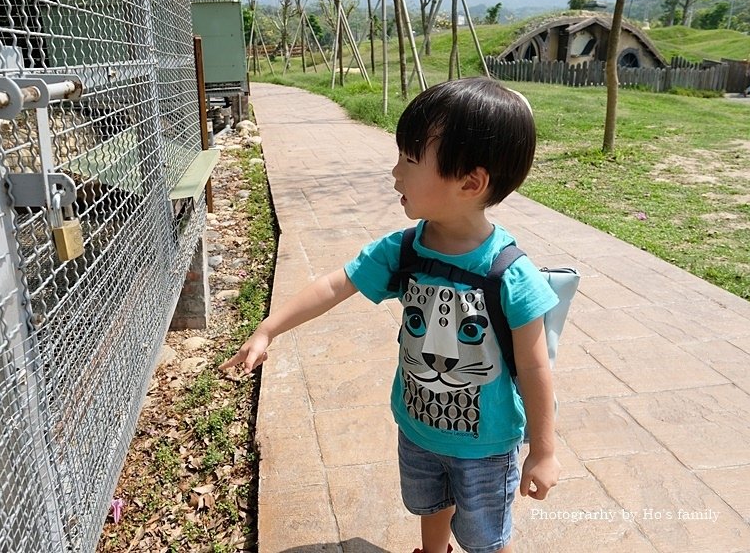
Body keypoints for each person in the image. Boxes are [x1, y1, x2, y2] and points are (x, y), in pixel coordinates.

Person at [221, 77, 560, 553]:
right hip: (417, 427)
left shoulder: (510, 275)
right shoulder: (405, 250)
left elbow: (535, 367)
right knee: (429, 506)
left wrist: (542, 451)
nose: (395, 172)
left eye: (410, 159)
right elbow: (336, 283)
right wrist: (269, 328)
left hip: (486, 447)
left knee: (485, 539)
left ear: (470, 182)